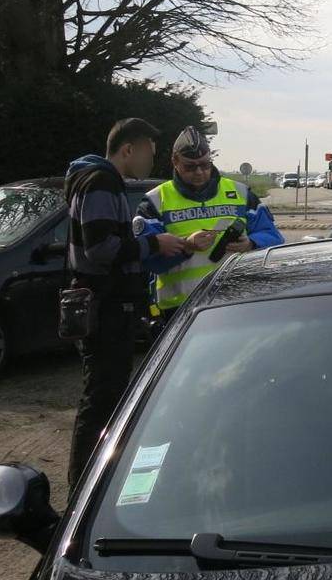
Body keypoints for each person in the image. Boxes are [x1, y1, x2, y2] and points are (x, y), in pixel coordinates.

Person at [64, 118, 186, 489]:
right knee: (102, 398)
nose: (153, 158)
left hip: (108, 307)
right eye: (149, 149)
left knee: (106, 395)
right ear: (128, 150)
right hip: (106, 309)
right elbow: (100, 248)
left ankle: (91, 483)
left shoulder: (99, 180)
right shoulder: (101, 182)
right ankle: (83, 489)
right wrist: (154, 245)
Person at [136, 126, 284, 319]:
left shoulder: (241, 193)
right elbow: (148, 260)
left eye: (205, 164)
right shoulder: (155, 201)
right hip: (181, 310)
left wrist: (251, 243)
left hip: (236, 300)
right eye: (190, 166)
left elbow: (274, 238)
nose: (199, 172)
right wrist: (186, 246)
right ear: (175, 161)